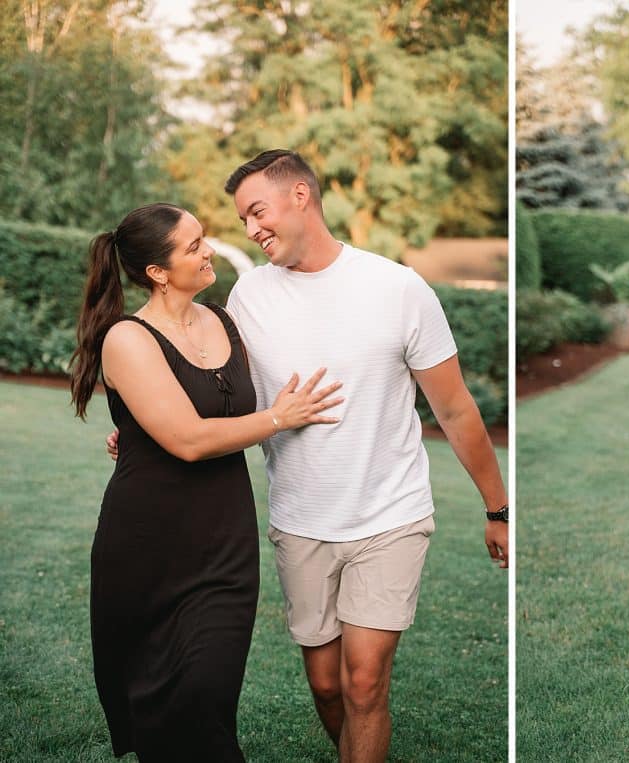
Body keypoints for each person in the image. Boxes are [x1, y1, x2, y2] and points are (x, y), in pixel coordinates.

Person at [104, 150, 508, 761]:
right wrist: (138, 434)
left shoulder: (398, 288)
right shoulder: (245, 300)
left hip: (389, 514)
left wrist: (497, 508)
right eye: (240, 220)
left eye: (257, 211)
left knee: (365, 682)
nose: (250, 230)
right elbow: (217, 396)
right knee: (326, 686)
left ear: (301, 196)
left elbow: (453, 409)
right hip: (300, 520)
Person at [70, 202, 343, 761]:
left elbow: (226, 407)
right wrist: (278, 418)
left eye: (204, 239)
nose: (209, 249)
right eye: (194, 246)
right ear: (157, 272)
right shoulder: (127, 338)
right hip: (146, 548)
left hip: (223, 546)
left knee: (205, 692)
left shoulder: (224, 321)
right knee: (166, 708)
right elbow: (190, 439)